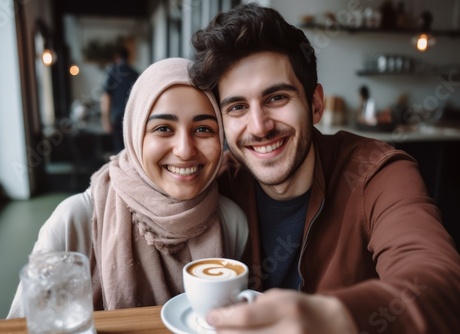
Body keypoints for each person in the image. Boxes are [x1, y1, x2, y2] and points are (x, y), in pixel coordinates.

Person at [189, 3, 460, 333]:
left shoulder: (378, 173)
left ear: (315, 104)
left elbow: (439, 284)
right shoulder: (218, 181)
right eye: (237, 107)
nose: (259, 126)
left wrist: (337, 316)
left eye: (276, 98)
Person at [7, 57, 248, 316]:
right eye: (164, 128)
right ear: (134, 135)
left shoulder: (230, 221)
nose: (185, 150)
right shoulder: (75, 221)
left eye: (203, 129)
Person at [100, 46, 139, 154]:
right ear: (128, 57)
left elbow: (106, 97)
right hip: (133, 117)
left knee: (120, 151)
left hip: (117, 117)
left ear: (116, 58)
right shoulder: (135, 73)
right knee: (132, 150)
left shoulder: (112, 73)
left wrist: (105, 119)